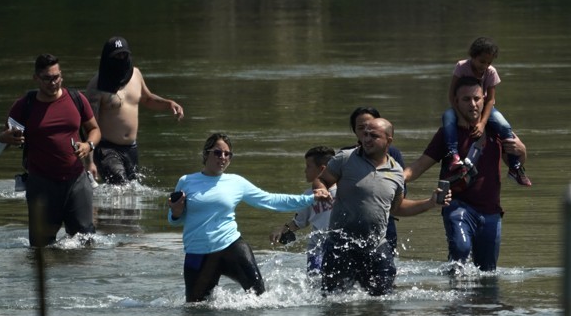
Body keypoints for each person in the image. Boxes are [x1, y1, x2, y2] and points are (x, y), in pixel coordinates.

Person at [168, 133, 331, 303]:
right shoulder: (186, 181)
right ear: (206, 154)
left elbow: (270, 200)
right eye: (217, 153)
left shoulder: (236, 182)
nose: (222, 157)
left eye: (227, 154)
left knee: (261, 299)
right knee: (195, 311)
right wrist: (176, 212)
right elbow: (174, 219)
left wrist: (310, 198)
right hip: (197, 253)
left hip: (231, 248)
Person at [403, 76, 528, 273]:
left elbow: (514, 164)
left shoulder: (496, 130)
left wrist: (522, 150)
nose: (473, 104)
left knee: (488, 271)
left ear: (484, 100)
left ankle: (483, 304)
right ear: (456, 102)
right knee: (460, 250)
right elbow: (419, 166)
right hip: (457, 205)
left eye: (477, 98)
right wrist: (391, 179)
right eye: (466, 99)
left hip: (491, 210)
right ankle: (456, 301)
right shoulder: (447, 134)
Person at [317, 118, 448, 296]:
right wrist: (321, 191)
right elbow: (321, 179)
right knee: (333, 302)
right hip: (341, 245)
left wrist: (430, 203)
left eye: (374, 135)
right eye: (365, 134)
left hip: (376, 246)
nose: (367, 139)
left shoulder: (396, 172)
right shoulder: (345, 158)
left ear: (389, 140)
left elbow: (397, 208)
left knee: (383, 301)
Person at [0, 53, 102, 247]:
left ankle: (82, 278)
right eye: (47, 78)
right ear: (36, 78)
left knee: (87, 243)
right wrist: (8, 138)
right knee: (41, 248)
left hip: (76, 182)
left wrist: (88, 145)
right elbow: (3, 137)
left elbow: (94, 130)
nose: (53, 83)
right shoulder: (24, 105)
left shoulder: (77, 99)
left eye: (56, 77)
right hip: (42, 185)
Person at [85, 36, 184, 185]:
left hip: (131, 148)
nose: (121, 59)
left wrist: (169, 104)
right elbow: (89, 127)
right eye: (116, 56)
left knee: (132, 193)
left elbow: (147, 99)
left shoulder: (136, 74)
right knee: (120, 185)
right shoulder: (97, 86)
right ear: (107, 59)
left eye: (124, 55)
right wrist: (90, 162)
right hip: (107, 148)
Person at [441, 37, 531, 187]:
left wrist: (482, 123)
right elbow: (451, 95)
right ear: (473, 57)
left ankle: (515, 167)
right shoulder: (462, 67)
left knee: (504, 126)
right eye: (482, 61)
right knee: (448, 119)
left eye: (489, 62)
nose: (485, 66)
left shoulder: (490, 72)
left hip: (483, 107)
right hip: (461, 107)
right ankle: (453, 155)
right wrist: (460, 116)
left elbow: (490, 100)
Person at [269, 146, 337, 275]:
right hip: (315, 252)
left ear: (322, 169)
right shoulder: (309, 196)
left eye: (308, 166)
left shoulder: (344, 191)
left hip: (338, 249)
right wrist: (281, 230)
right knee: (315, 286)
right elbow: (297, 222)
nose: (305, 170)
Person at [346, 107, 403, 252]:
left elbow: (400, 196)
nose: (367, 133)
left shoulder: (393, 155)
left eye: (371, 127)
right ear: (355, 132)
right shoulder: (346, 156)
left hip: (384, 224)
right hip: (351, 226)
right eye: (361, 128)